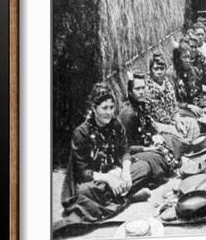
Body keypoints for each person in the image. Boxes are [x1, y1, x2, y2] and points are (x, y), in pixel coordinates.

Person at [59, 83, 164, 225]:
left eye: (111, 107)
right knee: (85, 191)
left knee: (144, 166)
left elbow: (125, 151)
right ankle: (128, 196)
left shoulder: (116, 124)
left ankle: (120, 195)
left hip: (116, 173)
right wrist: (108, 178)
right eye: (104, 108)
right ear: (94, 108)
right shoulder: (81, 133)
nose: (109, 112)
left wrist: (125, 171)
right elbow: (82, 173)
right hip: (94, 178)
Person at [119, 72, 184, 170]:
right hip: (137, 152)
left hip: (148, 142)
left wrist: (155, 136)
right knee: (158, 159)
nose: (141, 91)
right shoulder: (127, 115)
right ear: (130, 92)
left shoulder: (141, 104)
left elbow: (149, 126)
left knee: (174, 141)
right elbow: (127, 148)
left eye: (143, 88)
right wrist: (148, 148)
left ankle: (170, 162)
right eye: (137, 89)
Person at [146, 52, 200, 141]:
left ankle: (192, 148)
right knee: (177, 135)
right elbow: (150, 120)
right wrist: (171, 127)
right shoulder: (147, 89)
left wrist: (178, 122)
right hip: (158, 126)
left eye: (161, 69)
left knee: (192, 123)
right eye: (156, 69)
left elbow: (174, 109)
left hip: (172, 121)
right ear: (151, 70)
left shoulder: (168, 85)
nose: (159, 72)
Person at [172, 37, 206, 117]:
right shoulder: (173, 75)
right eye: (184, 57)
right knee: (192, 116)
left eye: (188, 57)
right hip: (182, 107)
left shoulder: (194, 71)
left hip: (194, 104)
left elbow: (199, 94)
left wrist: (203, 106)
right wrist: (189, 106)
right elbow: (173, 101)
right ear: (178, 59)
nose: (187, 60)